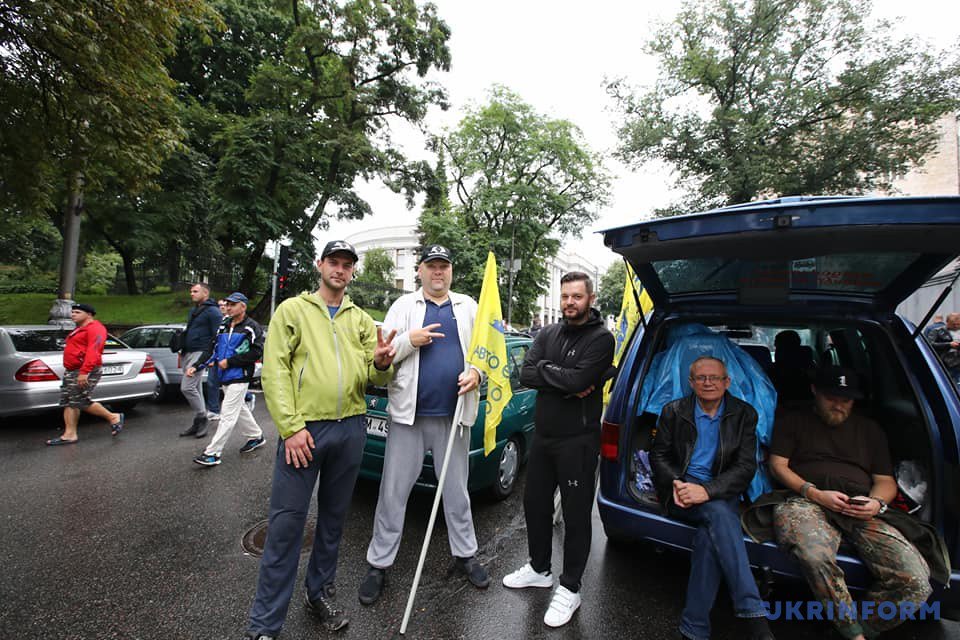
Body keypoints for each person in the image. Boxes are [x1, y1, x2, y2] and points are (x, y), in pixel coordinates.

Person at [245, 240, 396, 638]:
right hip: (305, 430)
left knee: (332, 521)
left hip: (350, 428)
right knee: (286, 525)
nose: (340, 270)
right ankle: (265, 624)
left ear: (352, 272)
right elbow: (274, 371)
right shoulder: (293, 310)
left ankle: (319, 594)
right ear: (320, 264)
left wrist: (382, 363)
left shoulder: (361, 319)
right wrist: (291, 428)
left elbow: (373, 377)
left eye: (347, 264)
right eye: (334, 262)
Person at [358, 244, 486, 606]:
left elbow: (486, 352)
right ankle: (378, 564)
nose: (437, 273)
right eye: (431, 266)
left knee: (457, 491)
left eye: (444, 266)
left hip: (453, 416)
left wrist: (477, 372)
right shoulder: (403, 307)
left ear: (451, 271)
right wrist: (408, 342)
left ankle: (466, 554)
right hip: (407, 417)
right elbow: (383, 358)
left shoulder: (468, 307)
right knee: (393, 492)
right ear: (420, 271)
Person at [768, 365, 934, 640]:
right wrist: (814, 493)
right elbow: (778, 466)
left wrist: (876, 503)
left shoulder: (870, 430)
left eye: (846, 400)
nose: (839, 405)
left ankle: (858, 628)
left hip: (859, 507)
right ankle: (851, 633)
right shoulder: (793, 420)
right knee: (814, 556)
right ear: (815, 392)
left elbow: (885, 481)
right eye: (831, 397)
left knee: (916, 580)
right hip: (805, 500)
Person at [502, 272, 614, 628]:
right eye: (565, 295)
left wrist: (562, 377)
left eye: (577, 296)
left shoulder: (601, 338)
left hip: (577, 442)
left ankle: (571, 588)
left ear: (590, 299)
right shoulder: (547, 333)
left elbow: (579, 381)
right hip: (545, 437)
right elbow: (526, 374)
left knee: (576, 515)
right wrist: (561, 376)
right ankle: (539, 568)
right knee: (534, 504)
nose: (569, 302)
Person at [649, 356, 775, 640]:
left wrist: (707, 490)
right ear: (691, 383)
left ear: (726, 382)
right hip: (681, 491)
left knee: (710, 534)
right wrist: (678, 484)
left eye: (715, 377)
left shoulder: (744, 414)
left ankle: (694, 629)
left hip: (720, 489)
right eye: (701, 378)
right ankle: (752, 612)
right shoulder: (673, 411)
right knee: (719, 516)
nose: (708, 383)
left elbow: (745, 467)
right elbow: (658, 455)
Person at [187, 292, 265, 467]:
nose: (228, 307)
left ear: (243, 306)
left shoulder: (252, 327)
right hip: (225, 377)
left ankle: (213, 453)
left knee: (227, 415)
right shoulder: (223, 326)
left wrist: (230, 362)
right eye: (227, 304)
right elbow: (212, 348)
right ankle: (256, 436)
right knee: (241, 409)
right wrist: (198, 365)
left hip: (240, 376)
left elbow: (256, 352)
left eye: (232, 304)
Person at [46, 303, 125, 445]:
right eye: (72, 312)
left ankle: (113, 417)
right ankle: (69, 434)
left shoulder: (96, 328)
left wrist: (84, 372)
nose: (73, 315)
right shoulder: (80, 329)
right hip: (72, 370)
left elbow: (94, 351)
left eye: (77, 312)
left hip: (85, 370)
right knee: (69, 402)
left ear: (89, 314)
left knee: (80, 401)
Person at [178, 283, 224, 438]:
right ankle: (198, 421)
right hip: (188, 352)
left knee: (187, 387)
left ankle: (202, 417)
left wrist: (211, 357)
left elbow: (217, 336)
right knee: (196, 388)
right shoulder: (194, 311)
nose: (191, 293)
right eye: (191, 291)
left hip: (200, 353)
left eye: (195, 291)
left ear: (205, 293)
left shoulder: (213, 312)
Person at [927, 312, 960, 385]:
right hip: (945, 363)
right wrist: (948, 345)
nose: (956, 326)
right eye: (954, 324)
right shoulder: (937, 331)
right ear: (947, 322)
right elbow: (930, 345)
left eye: (958, 324)